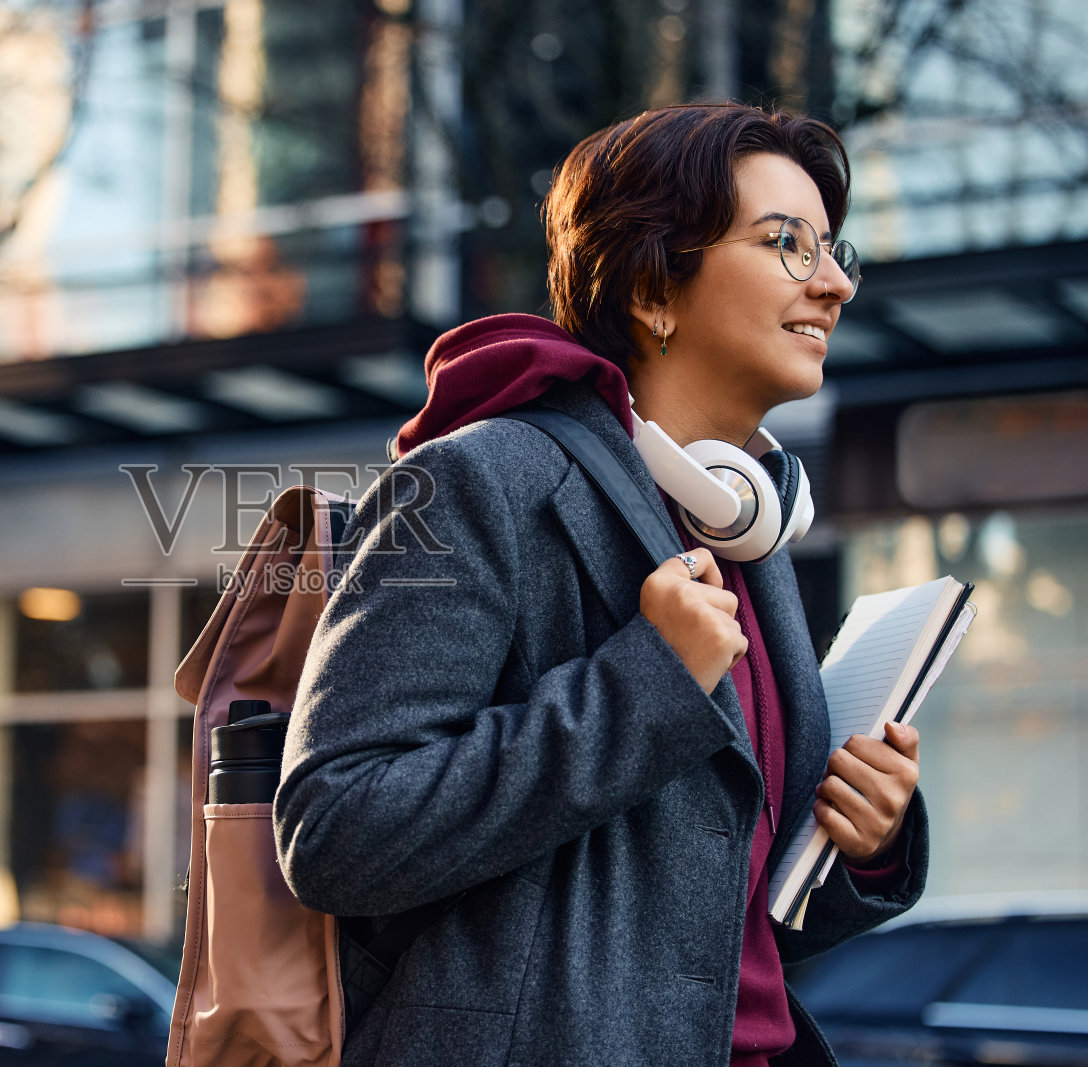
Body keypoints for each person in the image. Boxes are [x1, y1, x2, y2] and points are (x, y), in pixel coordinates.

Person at [274, 104, 927, 1066]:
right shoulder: (477, 481)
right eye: (786, 243)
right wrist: (646, 685)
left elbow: (705, 930)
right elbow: (337, 827)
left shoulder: (745, 531)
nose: (832, 284)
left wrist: (863, 843)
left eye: (835, 251)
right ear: (655, 287)